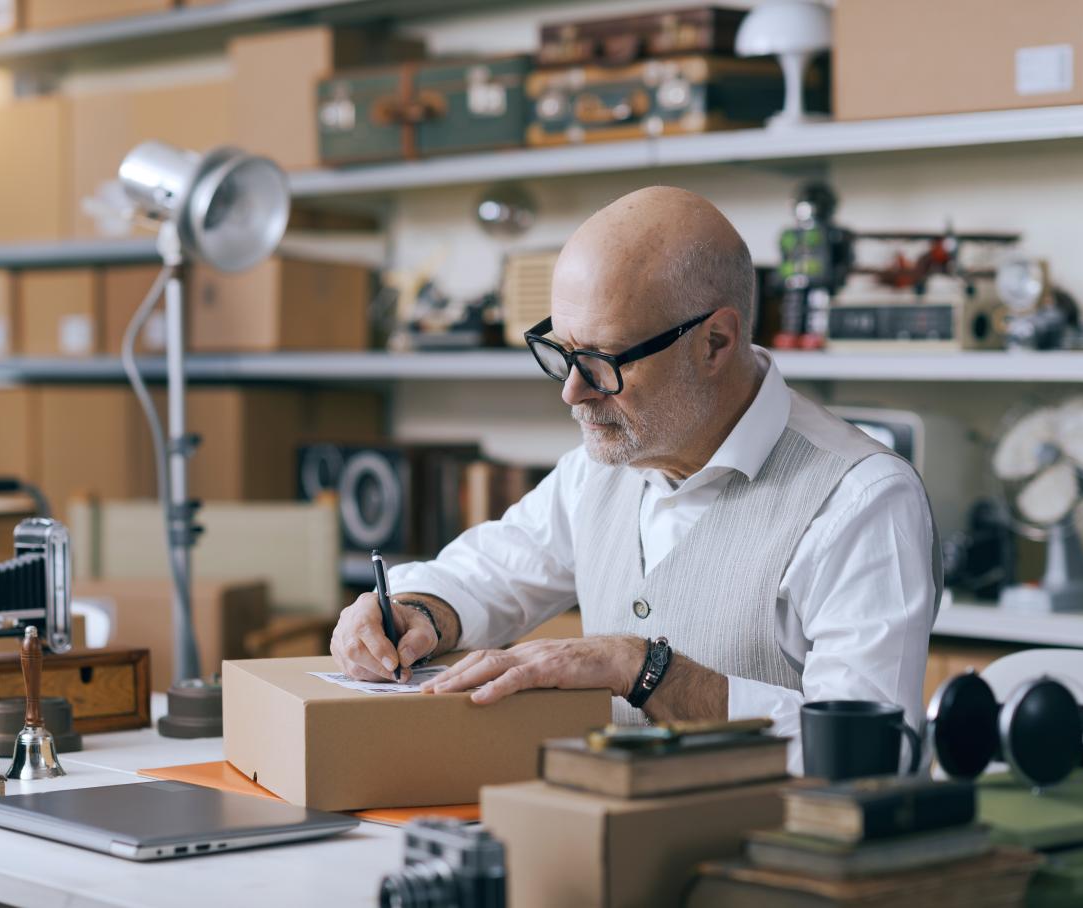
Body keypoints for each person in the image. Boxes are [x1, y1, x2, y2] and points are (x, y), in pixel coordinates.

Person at [331, 186, 941, 771]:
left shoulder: (861, 502)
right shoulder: (602, 466)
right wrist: (417, 612)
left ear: (716, 342)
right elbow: (492, 572)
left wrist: (647, 669)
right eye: (561, 353)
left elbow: (876, 758)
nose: (573, 390)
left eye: (602, 360)